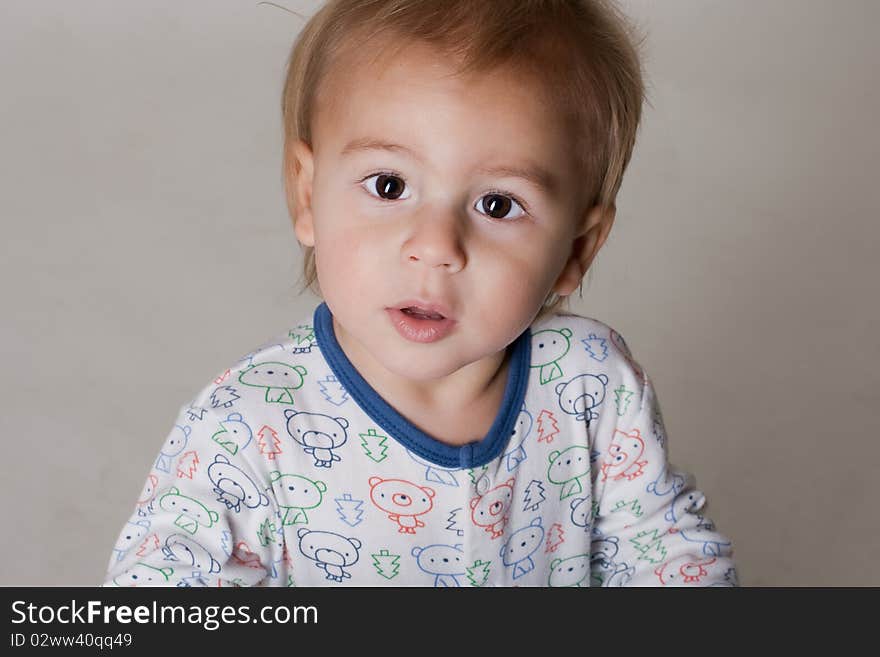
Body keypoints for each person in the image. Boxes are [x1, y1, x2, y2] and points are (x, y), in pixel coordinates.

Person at [103, 0, 738, 587]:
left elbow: (665, 552)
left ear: (576, 249)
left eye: (497, 204)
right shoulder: (248, 424)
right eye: (388, 186)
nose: (436, 245)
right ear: (307, 195)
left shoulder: (588, 384)